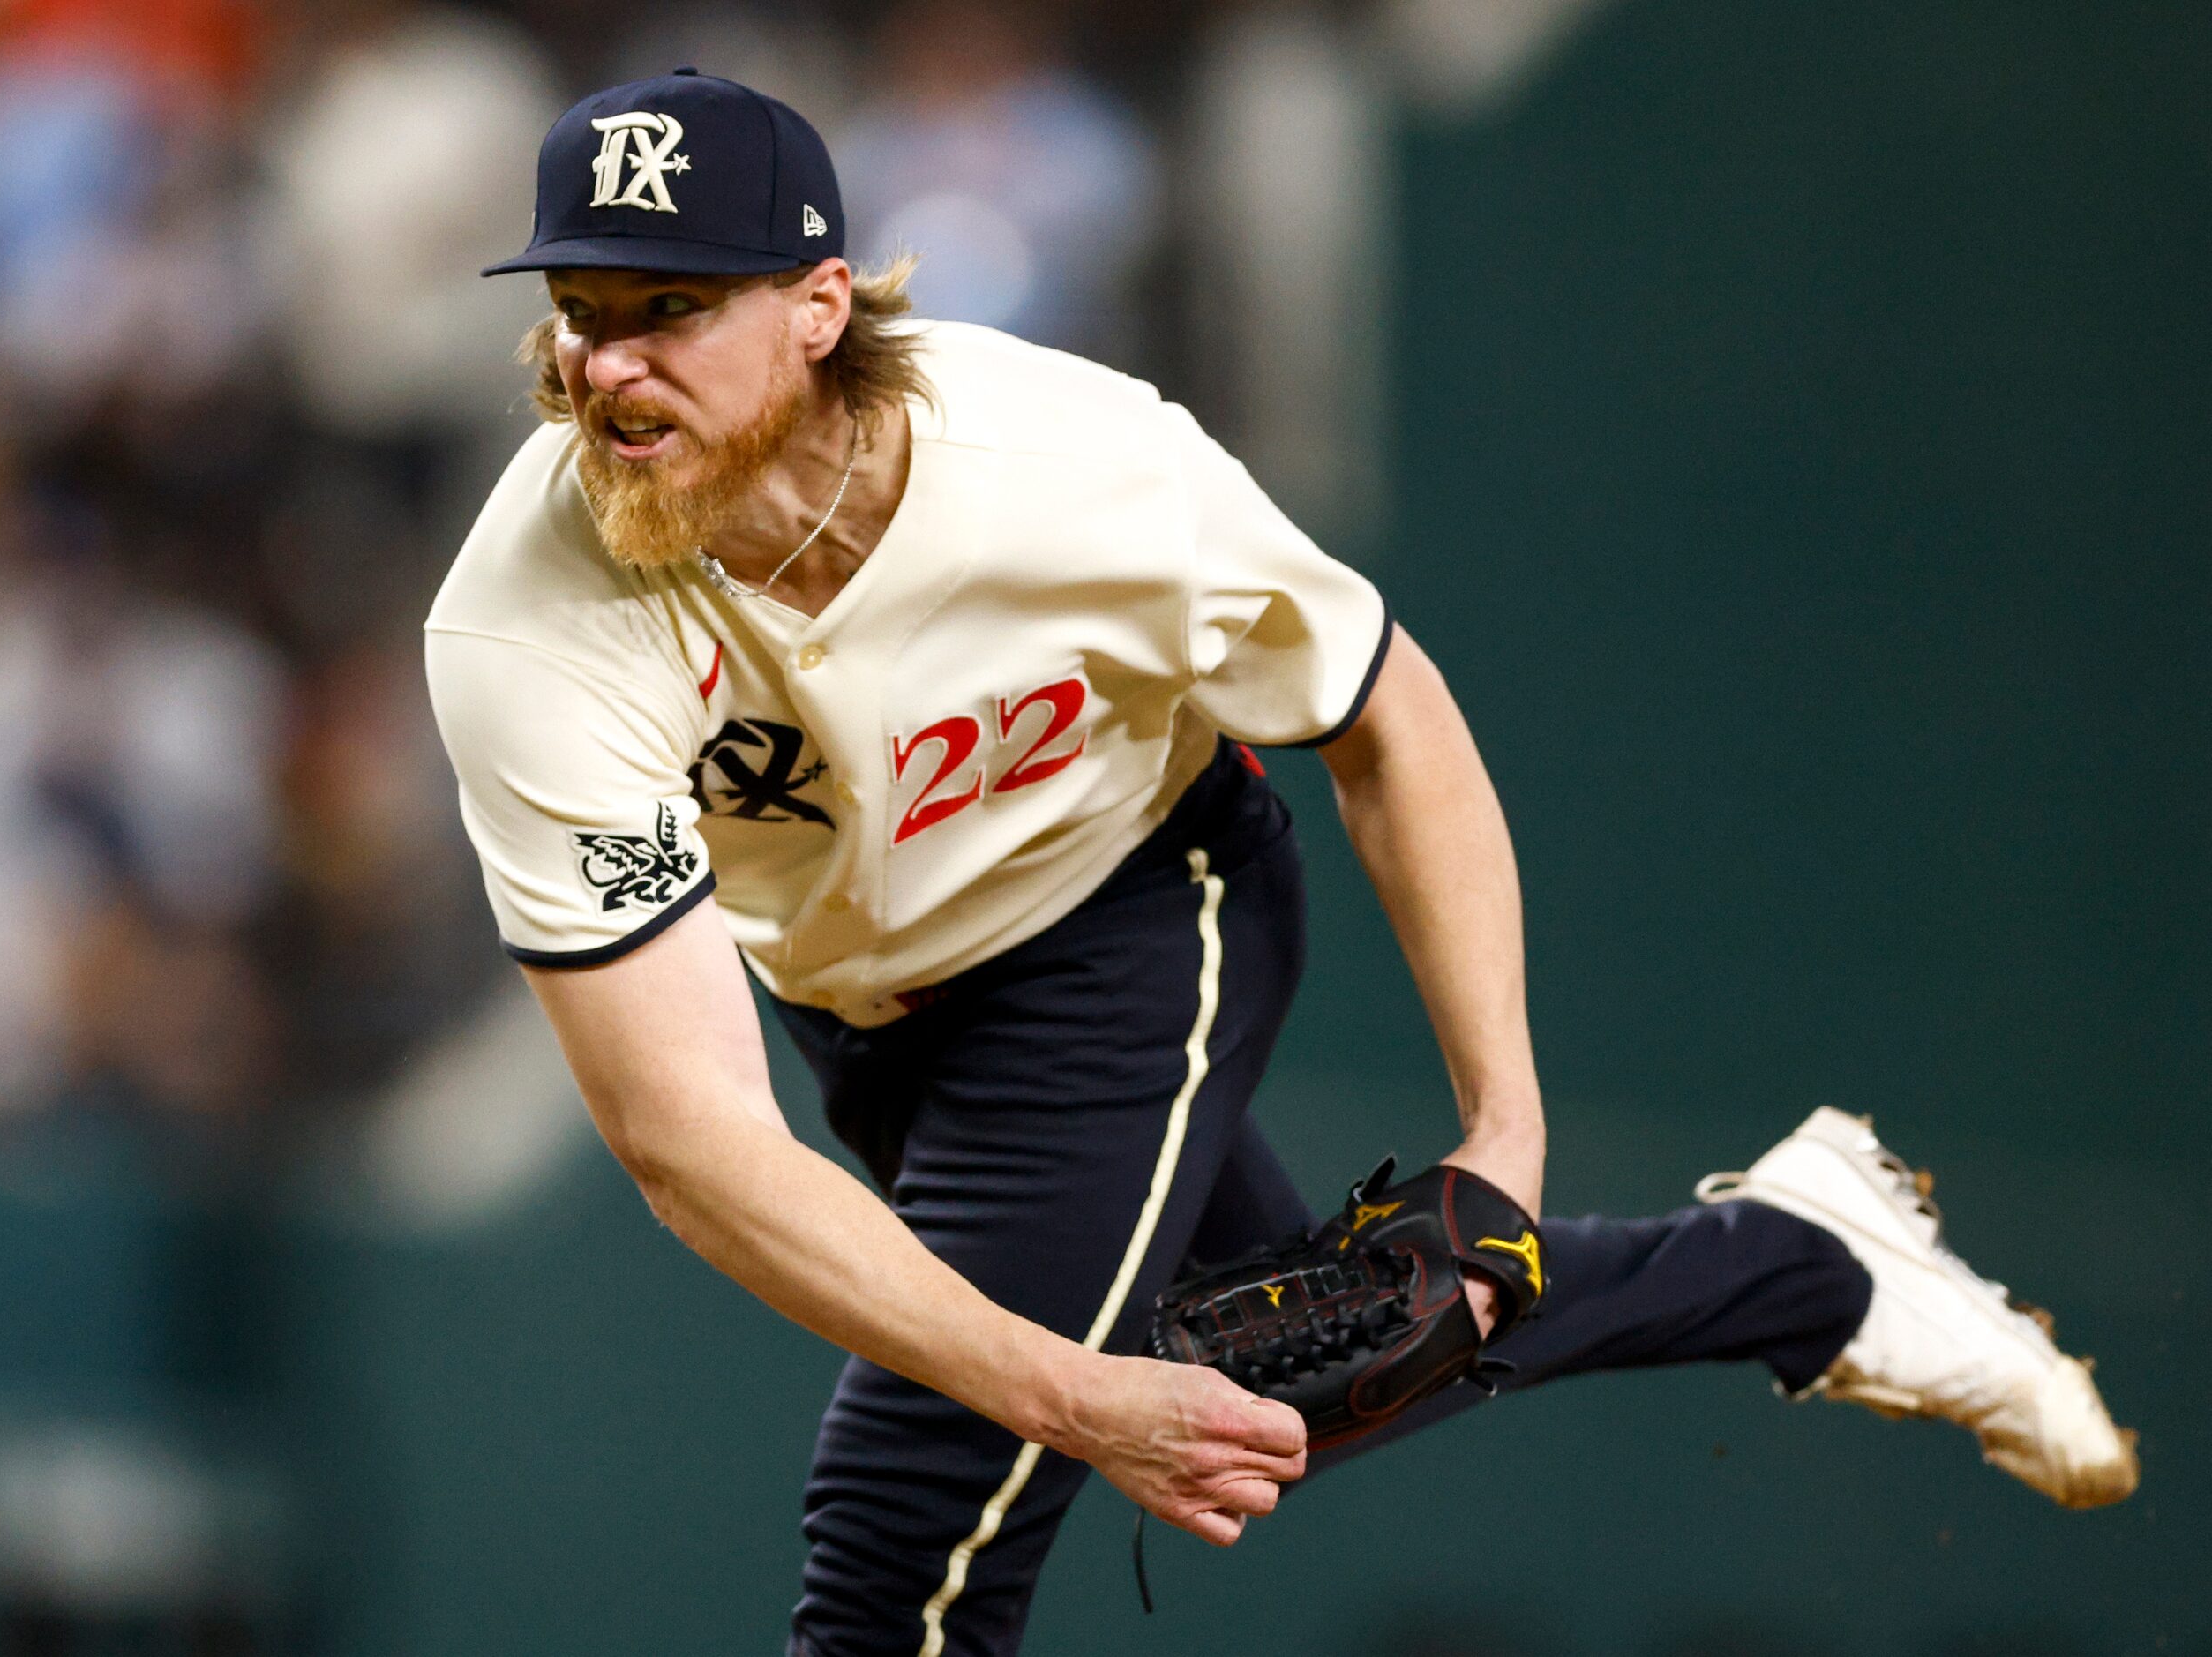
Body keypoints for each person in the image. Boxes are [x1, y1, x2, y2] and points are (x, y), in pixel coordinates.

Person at [425, 69, 2137, 1657]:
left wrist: (1506, 1136)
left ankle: (1790, 1268)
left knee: (906, 1525)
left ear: (815, 312)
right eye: (581, 315)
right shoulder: (527, 619)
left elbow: (1392, 720)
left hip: (1129, 921)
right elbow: (690, 1142)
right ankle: (1805, 1263)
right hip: (864, 1012)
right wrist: (1092, 1395)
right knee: (1306, 1362)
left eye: (671, 309)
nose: (609, 364)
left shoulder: (1071, 469)